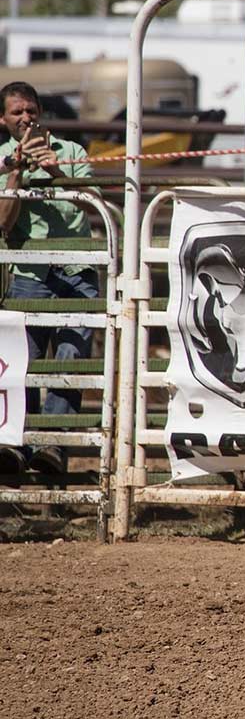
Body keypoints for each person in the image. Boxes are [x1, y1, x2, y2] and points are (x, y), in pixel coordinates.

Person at [0, 81, 97, 477]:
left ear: (40, 112)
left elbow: (92, 199)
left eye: (31, 110)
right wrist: (15, 176)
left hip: (75, 268)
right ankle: (22, 447)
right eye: (17, 112)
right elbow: (4, 224)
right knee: (24, 365)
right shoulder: (3, 160)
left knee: (71, 357)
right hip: (29, 270)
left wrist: (54, 170)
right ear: (3, 119)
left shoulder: (72, 152)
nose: (26, 118)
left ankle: (53, 445)